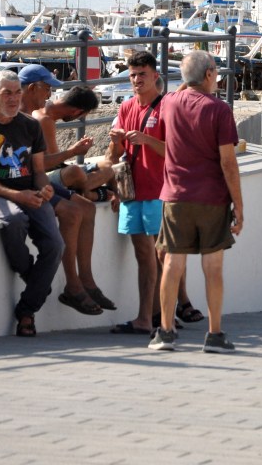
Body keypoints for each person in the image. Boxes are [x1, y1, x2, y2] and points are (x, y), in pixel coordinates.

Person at [150, 50, 243, 352]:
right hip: (212, 198)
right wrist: (239, 205)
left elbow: (178, 93)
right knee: (212, 267)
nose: (217, 77)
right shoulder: (219, 109)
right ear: (208, 75)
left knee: (172, 264)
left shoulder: (169, 103)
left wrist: (188, 81)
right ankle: (214, 334)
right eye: (215, 71)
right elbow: (228, 162)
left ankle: (164, 332)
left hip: (175, 196)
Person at [108, 51, 203, 335]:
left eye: (142, 75)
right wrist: (115, 147)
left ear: (154, 76)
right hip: (132, 192)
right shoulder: (126, 108)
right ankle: (148, 317)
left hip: (160, 192)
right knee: (144, 256)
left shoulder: (167, 108)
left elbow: (179, 152)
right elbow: (118, 155)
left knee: (162, 257)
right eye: (133, 75)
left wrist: (148, 140)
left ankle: (161, 316)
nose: (137, 80)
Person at [0, 70, 64, 337]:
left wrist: (43, 189)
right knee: (15, 219)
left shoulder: (31, 125)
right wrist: (18, 196)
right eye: (6, 93)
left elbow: (39, 170)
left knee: (55, 244)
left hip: (29, 192)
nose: (13, 98)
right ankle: (34, 281)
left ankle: (27, 307)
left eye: (17, 92)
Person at [18, 65, 115, 316]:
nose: (49, 95)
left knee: (86, 206)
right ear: (32, 88)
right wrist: (73, 152)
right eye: (47, 88)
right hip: (24, 187)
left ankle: (87, 281)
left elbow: (42, 163)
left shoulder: (30, 116)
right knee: (76, 196)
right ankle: (73, 286)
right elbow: (45, 164)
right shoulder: (36, 118)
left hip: (35, 181)